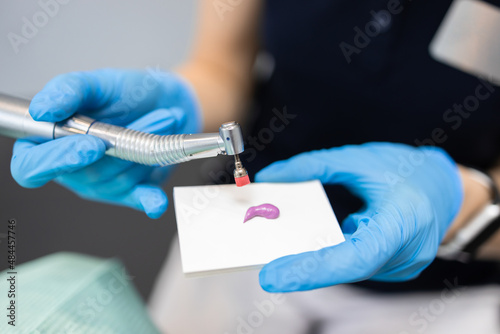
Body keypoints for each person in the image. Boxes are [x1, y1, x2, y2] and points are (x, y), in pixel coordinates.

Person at [9, 0, 500, 333]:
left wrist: (466, 208)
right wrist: (169, 109)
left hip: (448, 293)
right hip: (240, 246)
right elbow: (220, 67)